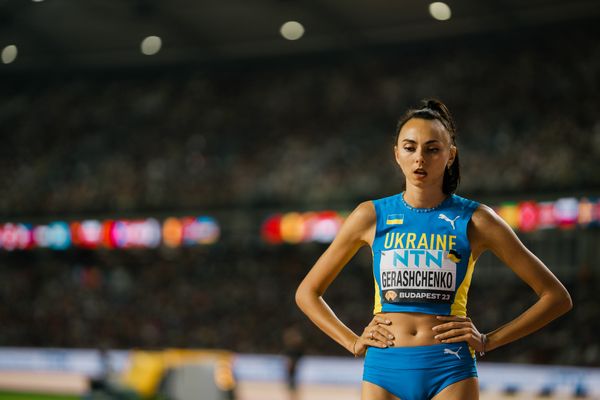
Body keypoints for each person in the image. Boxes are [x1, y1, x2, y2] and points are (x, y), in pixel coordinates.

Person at [295, 99, 572, 400]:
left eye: (432, 148)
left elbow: (556, 297)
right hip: (383, 369)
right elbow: (307, 292)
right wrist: (351, 342)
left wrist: (488, 341)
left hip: (450, 370)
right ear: (396, 154)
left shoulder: (477, 220)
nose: (420, 159)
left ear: (450, 155)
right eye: (410, 147)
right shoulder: (370, 216)